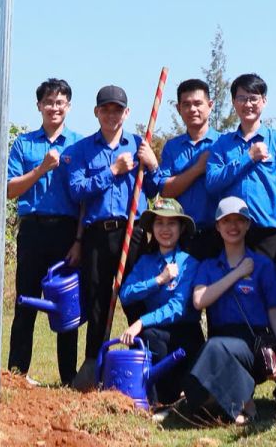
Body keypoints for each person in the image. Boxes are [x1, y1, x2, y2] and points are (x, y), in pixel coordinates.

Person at [202, 71, 276, 412]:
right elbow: (212, 183)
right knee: (226, 302)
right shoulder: (223, 145)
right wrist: (247, 158)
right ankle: (224, 382)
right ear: (233, 102)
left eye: (254, 97)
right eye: (242, 97)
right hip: (235, 233)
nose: (248, 103)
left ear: (265, 102)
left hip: (275, 233)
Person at [63, 82, 159, 362]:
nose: (111, 115)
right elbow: (77, 190)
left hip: (134, 233)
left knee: (138, 300)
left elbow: (155, 190)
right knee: (97, 304)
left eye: (117, 110)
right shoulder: (82, 149)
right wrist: (112, 171)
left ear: (126, 113)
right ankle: (95, 366)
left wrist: (152, 164)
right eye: (105, 110)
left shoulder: (141, 145)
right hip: (98, 236)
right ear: (96, 112)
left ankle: (142, 367)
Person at [179, 197, 276, 426]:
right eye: (226, 221)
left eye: (239, 220)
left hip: (254, 343)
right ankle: (235, 401)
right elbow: (199, 300)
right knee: (205, 362)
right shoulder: (209, 266)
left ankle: (244, 405)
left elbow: (275, 311)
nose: (233, 226)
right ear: (217, 227)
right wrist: (237, 274)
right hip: (221, 340)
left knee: (213, 348)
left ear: (248, 225)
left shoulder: (263, 265)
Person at [6, 76, 81, 386]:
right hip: (33, 230)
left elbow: (85, 197)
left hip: (66, 231)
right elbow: (10, 190)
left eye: (60, 102)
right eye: (48, 102)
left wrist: (79, 239)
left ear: (68, 106)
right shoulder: (25, 143)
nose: (54, 107)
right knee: (25, 301)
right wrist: (40, 170)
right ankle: (16, 373)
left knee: (67, 304)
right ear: (39, 106)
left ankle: (68, 377)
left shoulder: (79, 144)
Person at [119, 196, 204, 407]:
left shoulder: (189, 263)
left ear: (181, 228)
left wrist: (140, 322)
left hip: (184, 335)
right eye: (159, 223)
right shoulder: (145, 262)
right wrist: (158, 280)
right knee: (148, 337)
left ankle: (174, 396)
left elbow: (177, 308)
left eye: (171, 223)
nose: (165, 229)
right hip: (156, 335)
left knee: (148, 332)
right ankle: (153, 401)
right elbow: (126, 293)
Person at [153, 77, 221, 259]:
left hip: (220, 235)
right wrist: (198, 169)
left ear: (210, 105)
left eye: (198, 103)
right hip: (183, 236)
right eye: (186, 104)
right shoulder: (172, 147)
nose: (192, 109)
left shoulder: (224, 143)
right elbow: (166, 190)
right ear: (178, 109)